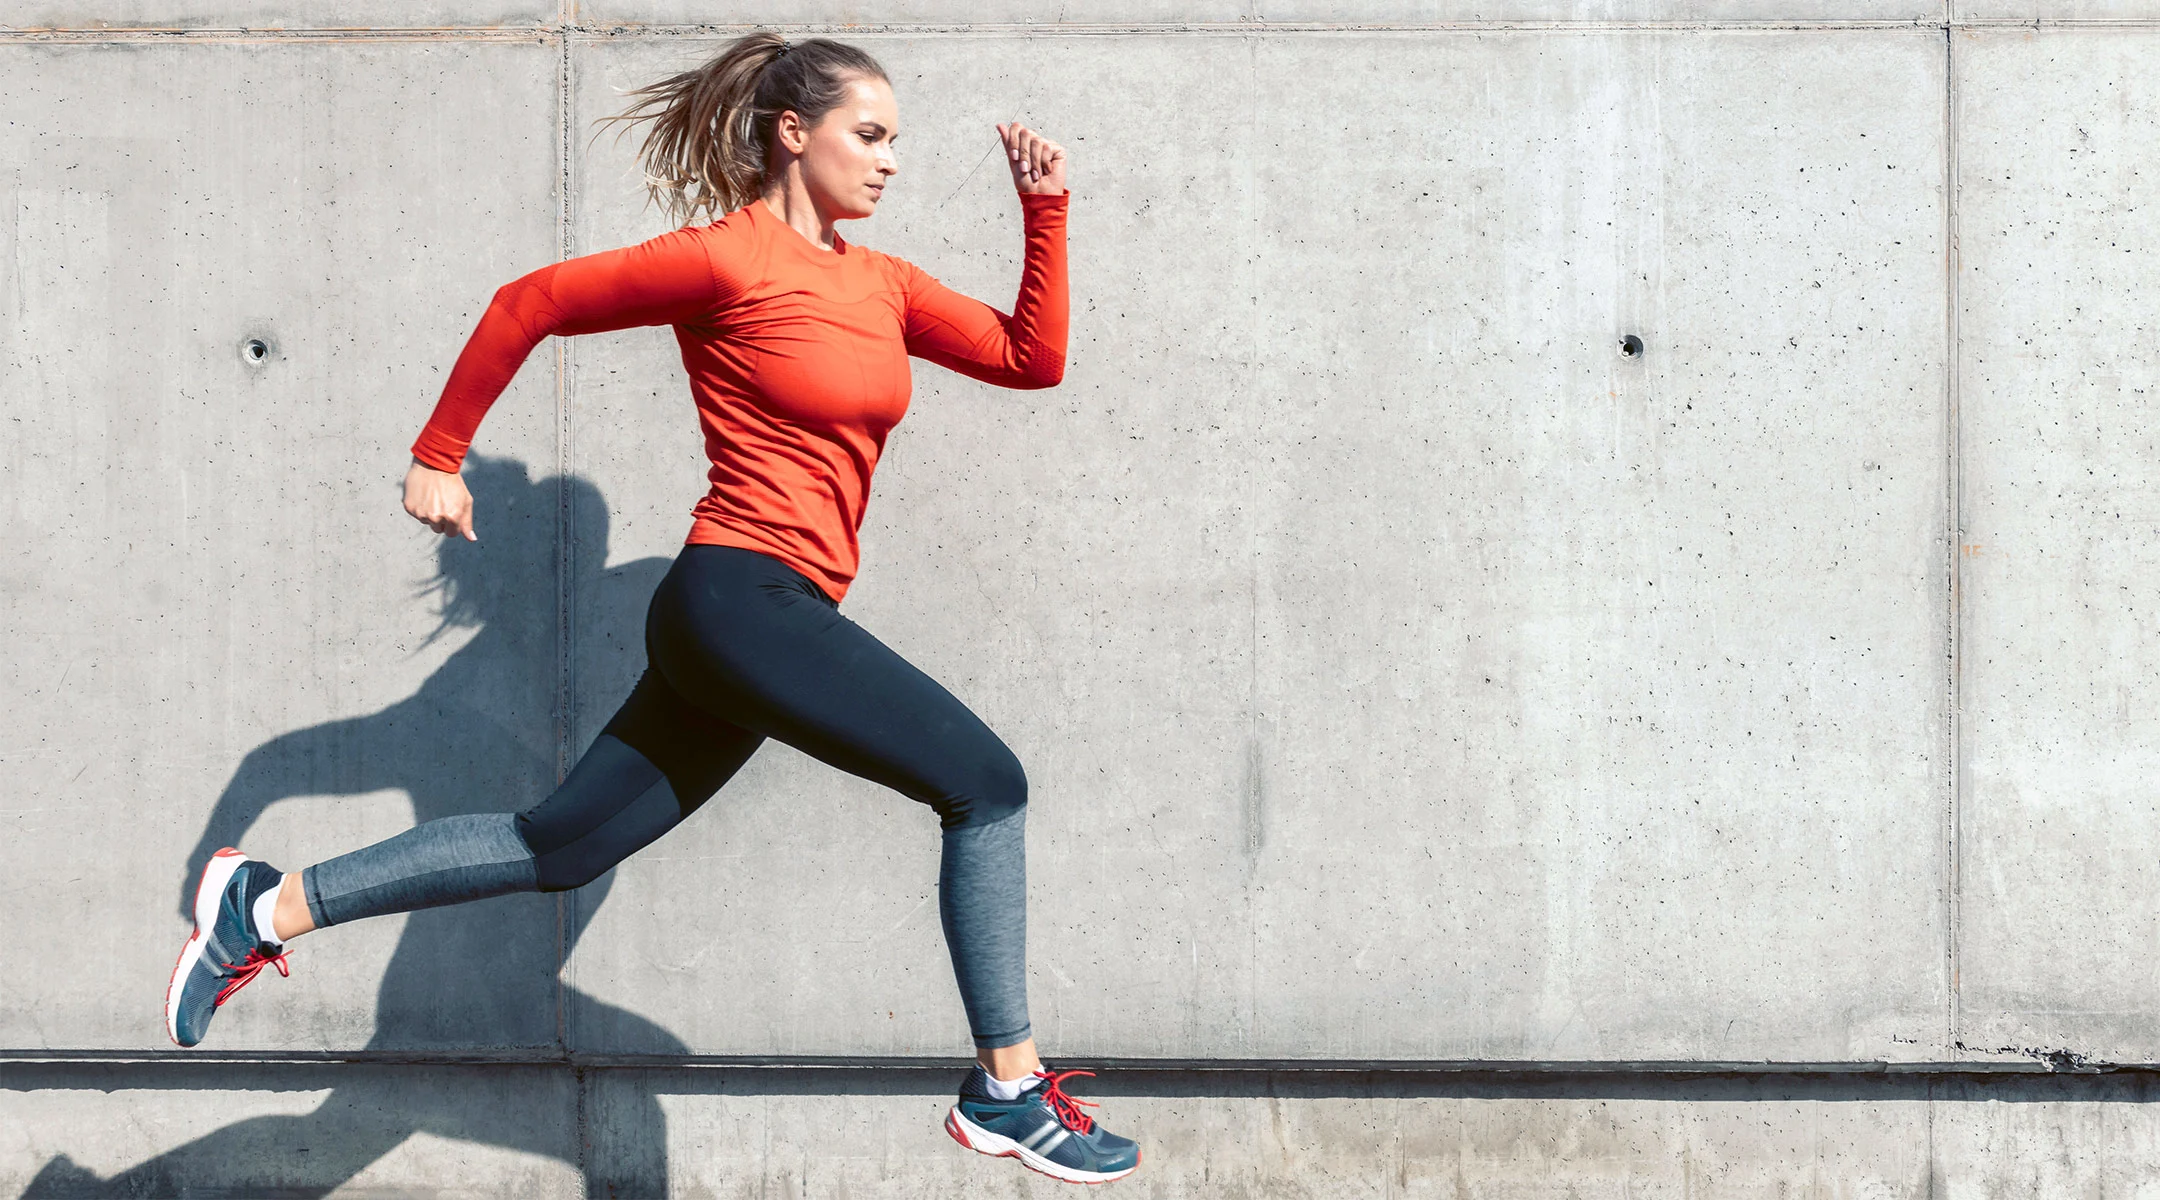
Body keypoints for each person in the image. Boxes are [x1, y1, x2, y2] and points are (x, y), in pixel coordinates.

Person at [163, 30, 1139, 1185]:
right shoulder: (725, 261)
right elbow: (531, 301)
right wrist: (440, 454)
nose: (890, 163)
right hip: (741, 597)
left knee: (558, 844)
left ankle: (262, 910)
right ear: (794, 132)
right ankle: (1009, 1090)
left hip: (760, 617)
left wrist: (1048, 206)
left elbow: (1033, 359)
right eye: (869, 136)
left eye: (896, 142)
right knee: (988, 786)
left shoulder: (884, 284)